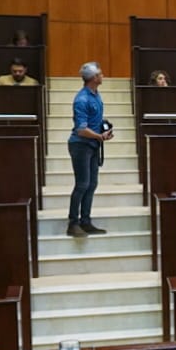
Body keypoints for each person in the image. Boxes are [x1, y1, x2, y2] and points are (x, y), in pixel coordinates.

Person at [68, 61, 111, 237]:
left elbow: (94, 120)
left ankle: (86, 221)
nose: (102, 76)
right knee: (82, 184)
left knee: (92, 184)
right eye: (100, 74)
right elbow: (81, 129)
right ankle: (73, 223)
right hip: (80, 145)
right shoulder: (82, 99)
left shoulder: (96, 95)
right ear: (93, 78)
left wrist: (104, 128)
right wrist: (99, 136)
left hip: (91, 144)